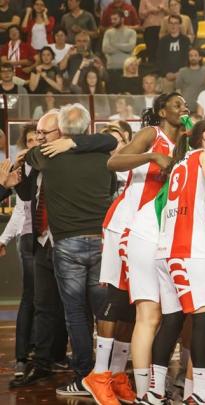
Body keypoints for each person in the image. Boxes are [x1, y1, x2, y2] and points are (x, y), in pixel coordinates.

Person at [143, 118, 205, 405]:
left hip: (167, 250)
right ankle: (199, 394)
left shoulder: (181, 161)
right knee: (204, 320)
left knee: (172, 321)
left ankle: (154, 391)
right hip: (189, 250)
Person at [25, 104, 118, 396]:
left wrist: (66, 143)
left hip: (68, 244)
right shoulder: (103, 155)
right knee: (103, 311)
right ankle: (106, 372)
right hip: (102, 241)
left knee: (76, 313)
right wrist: (76, 141)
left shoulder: (46, 156)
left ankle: (84, 374)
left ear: (62, 131)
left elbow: (30, 154)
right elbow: (110, 140)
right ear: (88, 128)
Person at [104, 93, 186, 402]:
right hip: (133, 226)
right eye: (177, 105)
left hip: (164, 231)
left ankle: (145, 381)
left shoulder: (186, 143)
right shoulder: (152, 134)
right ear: (162, 111)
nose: (184, 109)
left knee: (162, 313)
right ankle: (110, 375)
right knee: (135, 308)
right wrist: (152, 156)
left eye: (186, 105)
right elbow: (113, 161)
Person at [0, 125, 38, 380]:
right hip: (30, 239)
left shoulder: (56, 165)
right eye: (31, 139)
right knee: (31, 296)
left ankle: (46, 354)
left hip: (54, 240)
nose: (35, 142)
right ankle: (24, 356)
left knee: (50, 302)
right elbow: (22, 212)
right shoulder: (22, 169)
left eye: (40, 138)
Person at [157, 14, 191, 93]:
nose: (173, 25)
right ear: (168, 25)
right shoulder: (163, 41)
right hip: (166, 77)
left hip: (182, 76)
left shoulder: (185, 40)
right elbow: (159, 59)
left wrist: (179, 73)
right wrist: (166, 73)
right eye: (171, 23)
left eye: (175, 23)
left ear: (179, 25)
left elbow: (187, 58)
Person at [102, 9, 137, 85]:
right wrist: (123, 47)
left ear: (122, 19)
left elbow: (130, 47)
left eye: (115, 19)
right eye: (111, 19)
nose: (112, 21)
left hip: (127, 69)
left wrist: (114, 44)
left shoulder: (131, 32)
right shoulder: (108, 33)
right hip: (111, 68)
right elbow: (105, 49)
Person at [176, 48, 205, 113]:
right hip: (187, 107)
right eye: (191, 56)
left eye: (195, 55)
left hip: (203, 107)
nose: (193, 58)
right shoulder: (182, 71)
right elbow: (178, 90)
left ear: (200, 57)